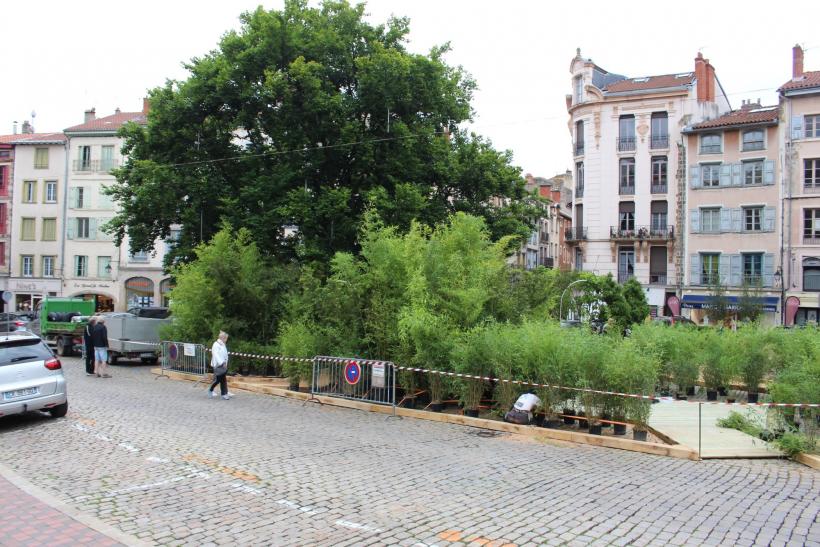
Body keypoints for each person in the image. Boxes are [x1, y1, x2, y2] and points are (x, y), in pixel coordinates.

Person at [208, 331, 231, 400]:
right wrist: (222, 363)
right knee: (217, 380)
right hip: (217, 365)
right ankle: (210, 390)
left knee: (223, 380)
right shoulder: (216, 344)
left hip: (223, 365)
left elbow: (225, 355)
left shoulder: (223, 344)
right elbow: (216, 355)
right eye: (226, 338)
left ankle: (224, 394)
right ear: (222, 338)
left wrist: (225, 363)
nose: (226, 340)